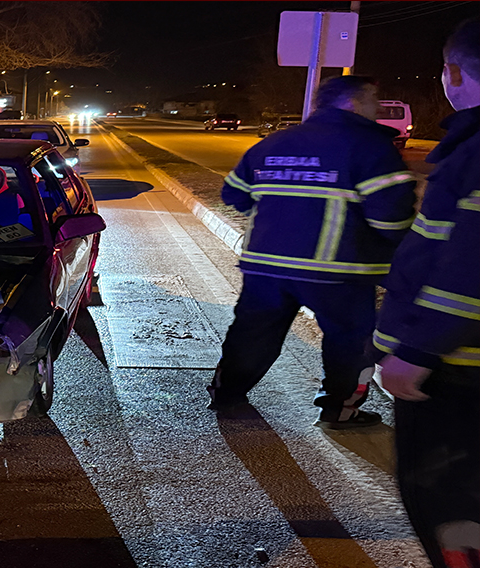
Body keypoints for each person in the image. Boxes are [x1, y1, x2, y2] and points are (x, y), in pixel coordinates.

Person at [207, 74, 417, 429]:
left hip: (266, 266)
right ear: (351, 103)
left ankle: (227, 395)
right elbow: (392, 217)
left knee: (253, 332)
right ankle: (340, 410)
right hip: (339, 270)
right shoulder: (371, 147)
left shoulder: (274, 142)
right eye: (372, 99)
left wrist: (282, 215)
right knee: (350, 341)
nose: (378, 108)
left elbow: (234, 195)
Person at [374, 18, 480, 568]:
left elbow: (470, 268)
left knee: (449, 509)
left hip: (458, 374)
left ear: (454, 72)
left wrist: (416, 352)